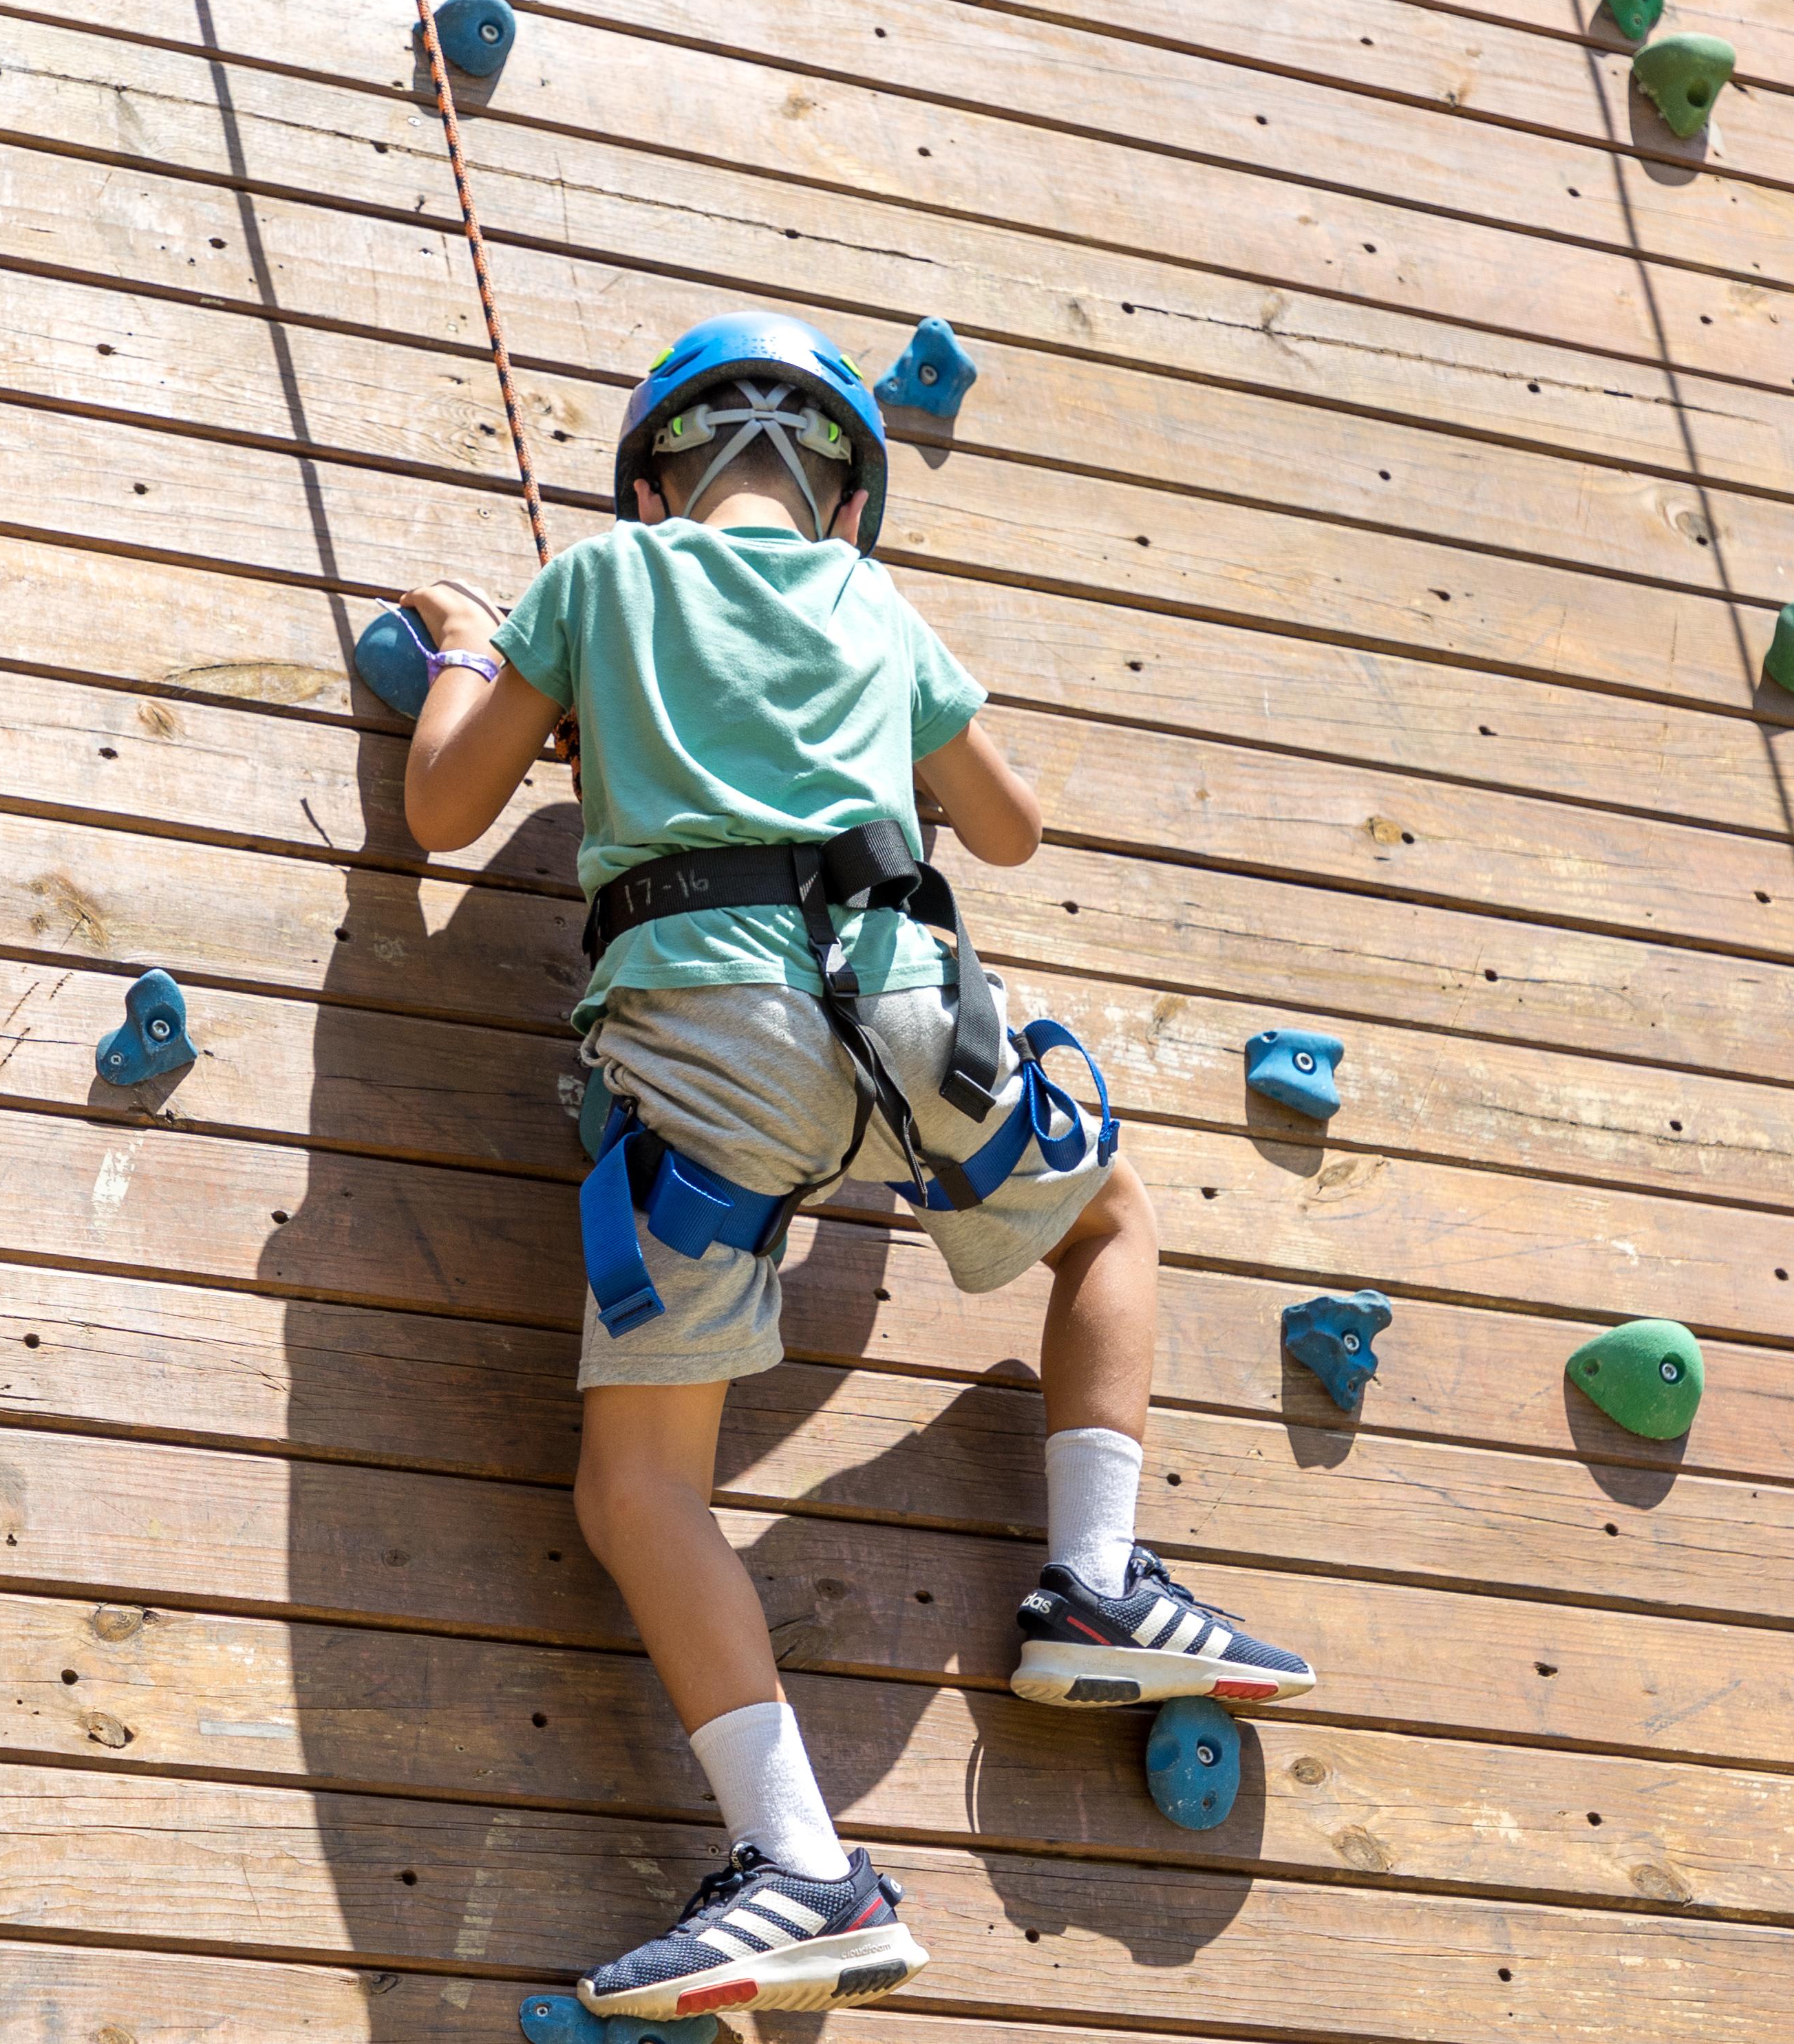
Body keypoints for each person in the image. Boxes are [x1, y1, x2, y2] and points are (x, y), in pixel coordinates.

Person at [391, 312, 1313, 2023]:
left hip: (704, 1038)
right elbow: (1015, 827)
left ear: (658, 473)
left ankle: (802, 1866)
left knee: (641, 1487)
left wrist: (473, 653)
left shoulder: (597, 580)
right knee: (1110, 1219)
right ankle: (1097, 1583)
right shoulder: (874, 607)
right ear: (839, 500)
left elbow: (448, 813)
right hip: (914, 1013)